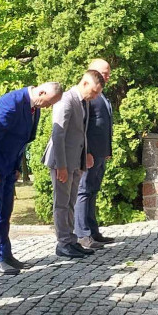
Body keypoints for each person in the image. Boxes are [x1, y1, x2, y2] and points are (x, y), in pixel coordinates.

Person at [0, 82, 63, 274]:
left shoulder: (34, 108)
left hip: (9, 167)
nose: (48, 107)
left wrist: (17, 166)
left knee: (5, 213)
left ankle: (5, 254)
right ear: (41, 92)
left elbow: (23, 140)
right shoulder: (11, 102)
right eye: (49, 102)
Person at [44, 70, 104, 260]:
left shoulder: (83, 101)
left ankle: (71, 240)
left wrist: (85, 153)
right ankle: (63, 243)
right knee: (62, 203)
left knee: (71, 201)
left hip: (75, 160)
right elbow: (58, 134)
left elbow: (80, 131)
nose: (94, 97)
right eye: (94, 92)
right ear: (84, 83)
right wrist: (61, 165)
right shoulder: (66, 100)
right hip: (62, 161)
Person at [75, 58, 115, 248]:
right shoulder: (88, 96)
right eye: (104, 72)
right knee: (83, 191)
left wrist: (107, 150)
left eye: (108, 73)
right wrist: (87, 151)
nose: (107, 76)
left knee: (93, 191)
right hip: (90, 153)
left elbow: (104, 125)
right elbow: (84, 126)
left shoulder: (102, 95)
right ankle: (82, 234)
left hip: (101, 152)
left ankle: (92, 231)